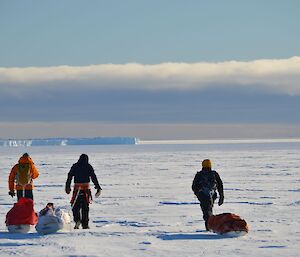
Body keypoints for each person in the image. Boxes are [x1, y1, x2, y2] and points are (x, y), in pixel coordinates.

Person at [65, 154, 102, 229]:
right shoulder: (88, 166)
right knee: (85, 207)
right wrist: (98, 187)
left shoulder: (75, 166)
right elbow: (93, 177)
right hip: (86, 189)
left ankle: (77, 220)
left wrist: (67, 186)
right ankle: (85, 224)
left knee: (75, 206)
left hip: (77, 189)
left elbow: (70, 176)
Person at [192, 159, 224, 231]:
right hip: (212, 196)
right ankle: (210, 226)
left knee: (207, 211)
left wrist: (198, 194)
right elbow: (220, 185)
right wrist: (221, 196)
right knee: (209, 210)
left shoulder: (199, 174)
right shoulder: (214, 174)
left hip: (203, 196)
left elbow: (194, 186)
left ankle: (209, 228)